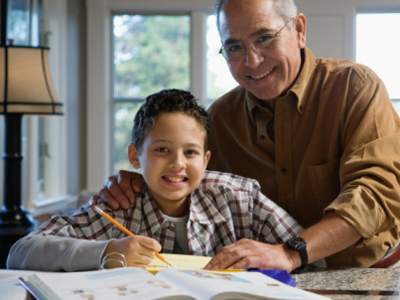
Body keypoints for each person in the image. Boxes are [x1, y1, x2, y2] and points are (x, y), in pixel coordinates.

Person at [95, 0, 400, 271]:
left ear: (299, 30)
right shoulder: (218, 119)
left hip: (365, 274)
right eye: (234, 47)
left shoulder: (354, 87)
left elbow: (375, 193)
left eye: (264, 38)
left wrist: (291, 253)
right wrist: (136, 183)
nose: (252, 61)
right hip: (261, 278)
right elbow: (187, 186)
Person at [7, 89, 303, 272]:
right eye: (162, 149)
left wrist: (278, 256)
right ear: (135, 157)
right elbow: (21, 252)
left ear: (206, 160)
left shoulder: (239, 197)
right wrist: (107, 252)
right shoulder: (117, 209)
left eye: (191, 152)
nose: (177, 163)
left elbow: (305, 252)